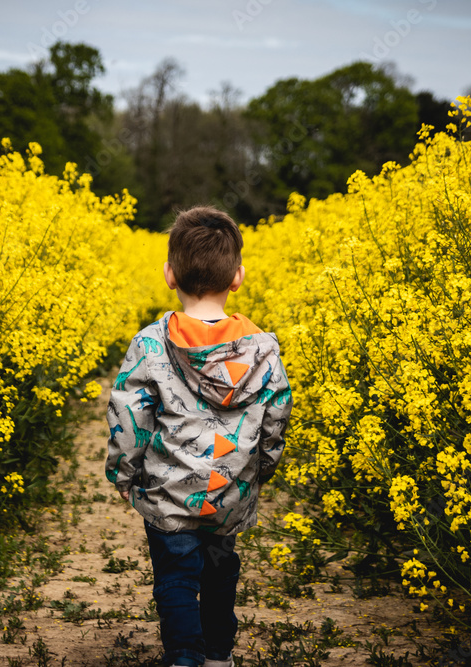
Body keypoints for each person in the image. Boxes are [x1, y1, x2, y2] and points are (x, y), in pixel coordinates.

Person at [104, 205, 293, 667]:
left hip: (169, 494)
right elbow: (277, 418)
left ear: (170, 274)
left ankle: (185, 656)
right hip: (231, 491)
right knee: (221, 569)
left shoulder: (150, 344)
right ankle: (218, 655)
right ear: (238, 277)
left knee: (175, 576)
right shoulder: (264, 350)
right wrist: (259, 472)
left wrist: (123, 474)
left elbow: (129, 417)